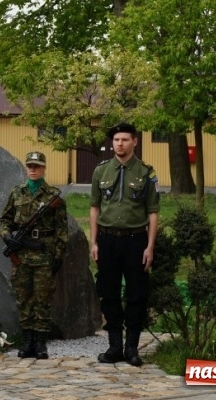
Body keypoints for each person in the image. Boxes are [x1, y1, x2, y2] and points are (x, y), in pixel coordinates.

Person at [89, 123, 159, 367]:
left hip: (135, 240)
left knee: (136, 294)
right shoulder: (101, 171)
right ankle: (114, 346)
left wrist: (150, 246)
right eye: (116, 140)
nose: (119, 143)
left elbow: (152, 212)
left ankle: (132, 348)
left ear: (134, 142)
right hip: (107, 240)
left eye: (125, 139)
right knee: (108, 293)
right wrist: (94, 241)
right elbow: (95, 207)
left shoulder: (146, 173)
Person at [0, 152, 68, 360]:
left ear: (44, 168)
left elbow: (61, 230)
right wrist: (7, 237)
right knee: (23, 299)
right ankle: (27, 341)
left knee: (42, 300)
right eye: (30, 165)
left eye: (37, 166)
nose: (33, 169)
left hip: (44, 255)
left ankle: (40, 343)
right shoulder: (16, 193)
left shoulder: (53, 196)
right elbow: (5, 220)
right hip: (21, 256)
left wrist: (58, 254)